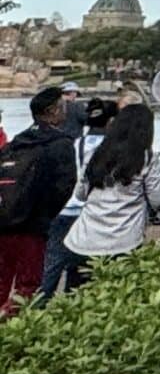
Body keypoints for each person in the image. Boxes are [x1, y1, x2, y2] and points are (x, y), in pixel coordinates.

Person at [54, 105, 160, 292]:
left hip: (83, 241)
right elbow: (158, 199)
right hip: (123, 242)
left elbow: (80, 194)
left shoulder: (97, 153)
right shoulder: (146, 158)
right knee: (117, 302)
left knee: (77, 302)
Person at [0, 87, 78, 314]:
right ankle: (12, 329)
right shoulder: (60, 144)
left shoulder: (17, 142)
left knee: (2, 280)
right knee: (28, 285)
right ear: (52, 111)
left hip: (4, 219)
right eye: (63, 106)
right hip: (32, 224)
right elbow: (64, 187)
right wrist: (44, 214)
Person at [35, 98, 115, 300]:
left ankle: (34, 310)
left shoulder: (75, 143)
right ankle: (75, 306)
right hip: (89, 212)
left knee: (51, 267)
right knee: (85, 266)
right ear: (110, 121)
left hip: (64, 209)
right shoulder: (112, 148)